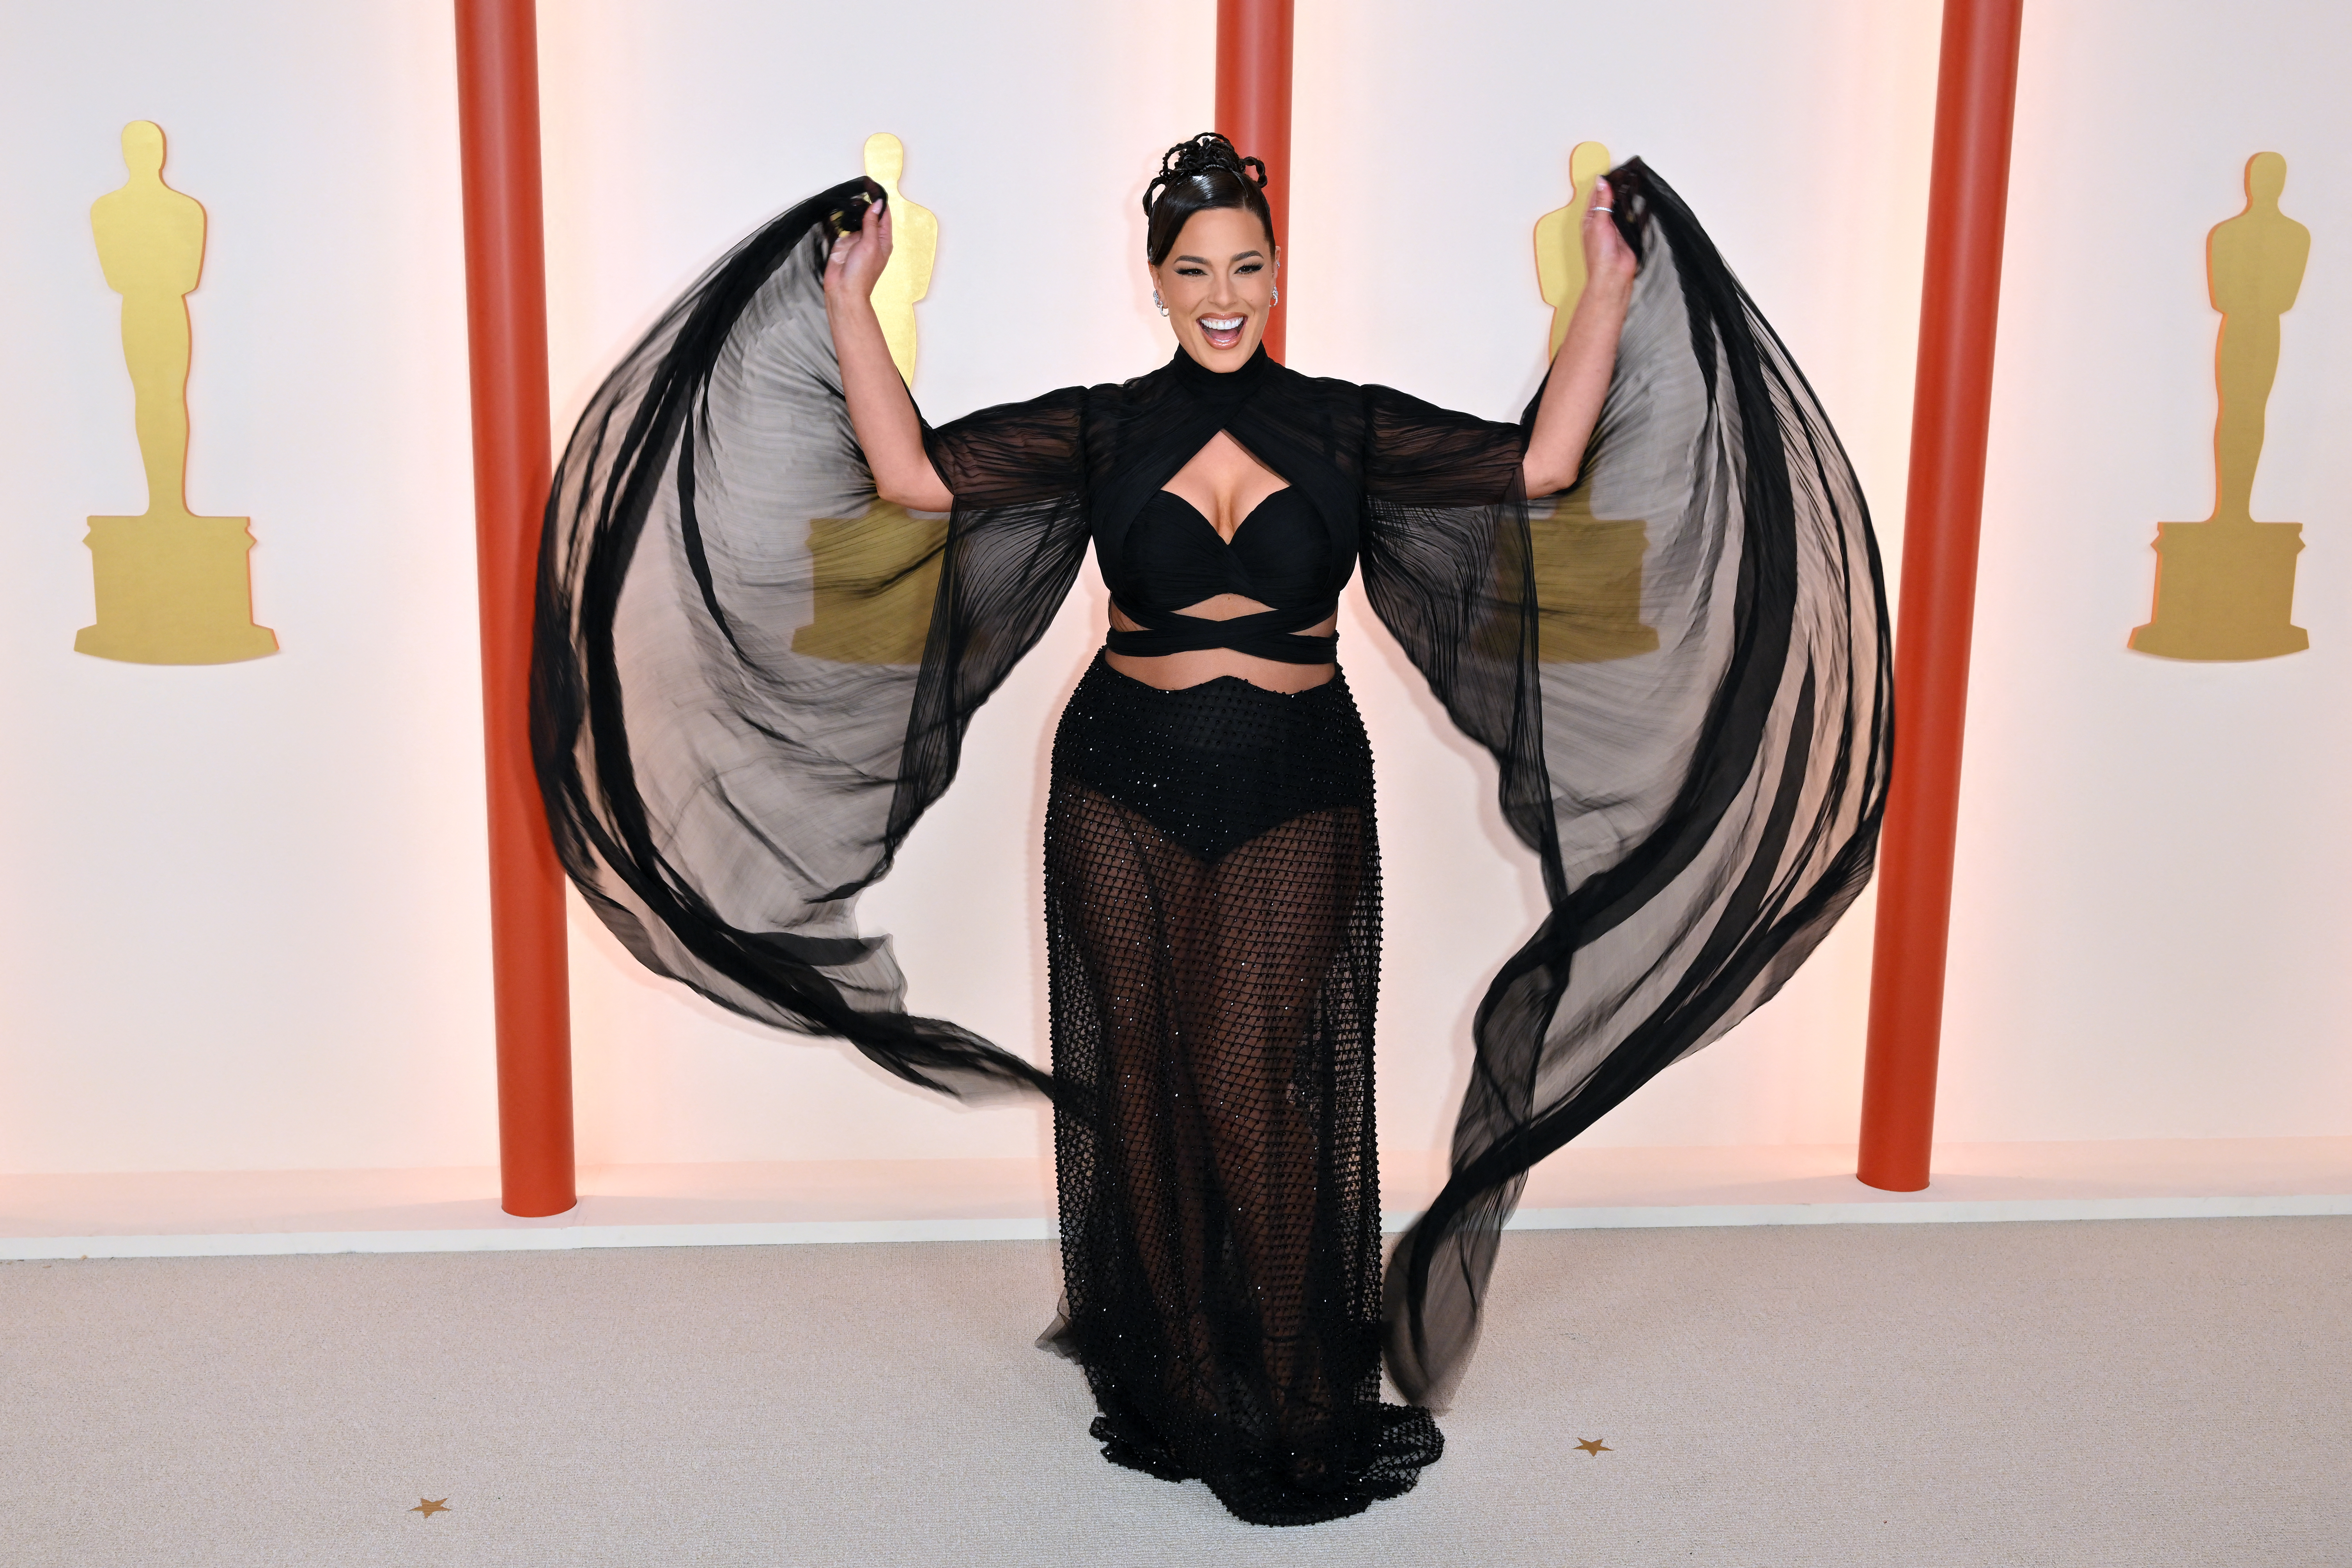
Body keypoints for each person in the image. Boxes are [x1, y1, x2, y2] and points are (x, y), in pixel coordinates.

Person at [533, 134, 1890, 1527]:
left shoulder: (1350, 425)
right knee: (1150, 1079)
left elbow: (1542, 466)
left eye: (1246, 265)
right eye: (1195, 271)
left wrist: (1607, 284)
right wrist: (846, 304)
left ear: (1278, 274)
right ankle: (1182, 1372)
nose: (1222, 292)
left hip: (1295, 783)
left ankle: (1298, 1386)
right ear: (1159, 284)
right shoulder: (1103, 425)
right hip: (1117, 781)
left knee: (1253, 1080)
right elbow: (914, 480)